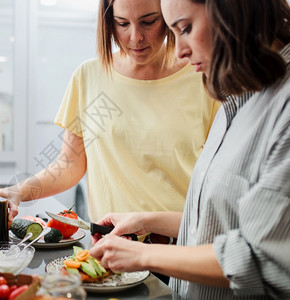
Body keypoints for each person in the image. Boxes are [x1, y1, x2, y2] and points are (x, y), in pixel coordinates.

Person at [89, 0, 290, 298]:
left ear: (232, 11)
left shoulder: (283, 109)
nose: (180, 50)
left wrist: (140, 255)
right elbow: (222, 221)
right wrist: (147, 220)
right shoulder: (237, 98)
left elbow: (265, 259)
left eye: (185, 28)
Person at [0, 0, 218, 232]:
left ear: (167, 16)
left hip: (183, 243)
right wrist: (17, 192)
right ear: (108, 21)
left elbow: (218, 178)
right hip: (111, 245)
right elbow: (69, 165)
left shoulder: (202, 76)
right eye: (122, 23)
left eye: (148, 21)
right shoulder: (90, 76)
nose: (135, 37)